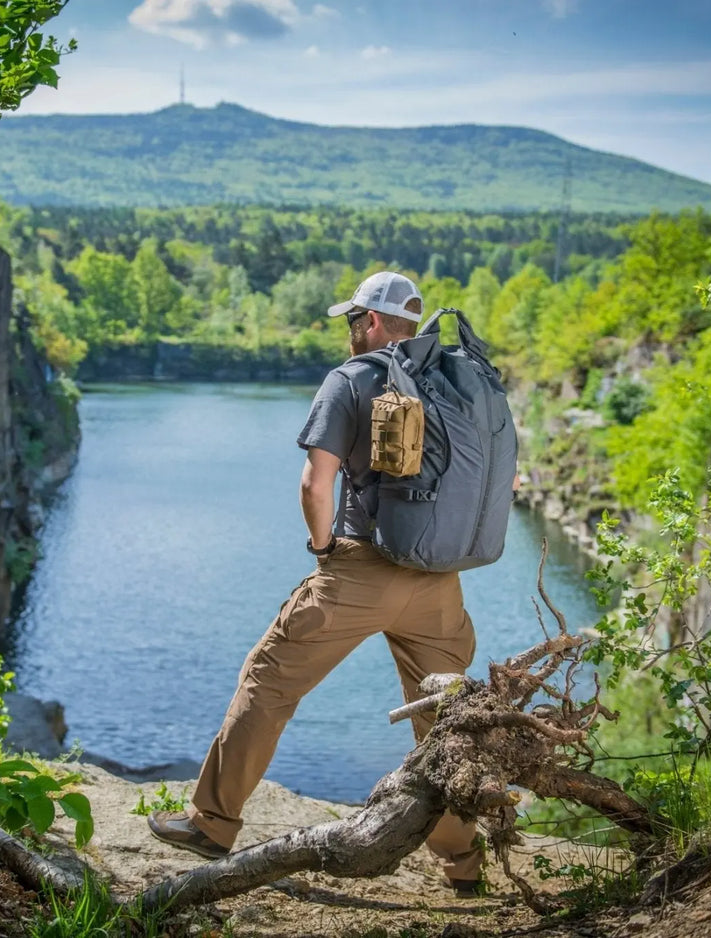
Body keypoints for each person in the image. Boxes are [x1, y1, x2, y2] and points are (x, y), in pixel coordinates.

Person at [146, 270, 484, 893]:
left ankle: (211, 824)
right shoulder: (454, 376)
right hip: (439, 579)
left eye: (354, 320)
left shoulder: (351, 380)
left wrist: (325, 548)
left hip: (360, 569)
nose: (350, 331)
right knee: (444, 722)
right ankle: (463, 866)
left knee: (268, 680)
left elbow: (315, 483)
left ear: (375, 323)